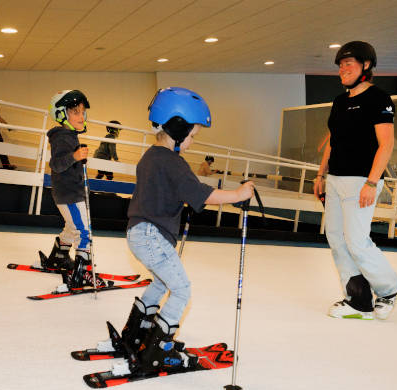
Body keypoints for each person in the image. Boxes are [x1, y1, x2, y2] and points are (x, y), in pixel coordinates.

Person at [106, 87, 254, 374]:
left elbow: (170, 192)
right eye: (193, 135)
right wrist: (237, 195)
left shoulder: (151, 156)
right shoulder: (172, 161)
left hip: (138, 233)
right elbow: (201, 193)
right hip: (151, 236)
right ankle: (157, 351)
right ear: (178, 126)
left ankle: (136, 333)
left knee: (161, 283)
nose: (191, 141)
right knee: (182, 289)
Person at [313, 41, 397, 321]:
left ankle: (389, 289)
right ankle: (358, 300)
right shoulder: (340, 101)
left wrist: (372, 183)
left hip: (362, 180)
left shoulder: (379, 98)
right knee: (336, 238)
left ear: (366, 66)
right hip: (336, 179)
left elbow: (386, 145)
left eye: (348, 64)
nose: (342, 70)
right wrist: (320, 174)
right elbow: (332, 142)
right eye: (340, 65)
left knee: (357, 241)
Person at [41, 89, 105, 291]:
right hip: (70, 195)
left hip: (67, 193)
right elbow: (57, 164)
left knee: (71, 228)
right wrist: (75, 157)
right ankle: (82, 272)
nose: (81, 116)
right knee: (83, 232)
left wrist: (77, 158)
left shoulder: (69, 136)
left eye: (82, 112)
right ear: (61, 114)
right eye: (75, 112)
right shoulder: (63, 137)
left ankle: (58, 258)